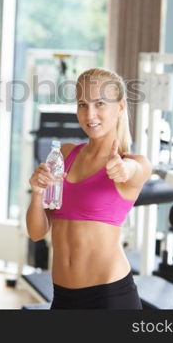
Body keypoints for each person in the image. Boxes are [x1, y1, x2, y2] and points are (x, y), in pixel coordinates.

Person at [26, 67, 152, 309]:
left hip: (109, 298)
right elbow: (36, 232)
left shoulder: (134, 163)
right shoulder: (64, 155)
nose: (89, 114)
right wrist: (37, 192)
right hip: (63, 297)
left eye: (100, 103)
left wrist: (123, 170)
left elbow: (135, 171)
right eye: (82, 104)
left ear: (121, 107)